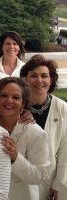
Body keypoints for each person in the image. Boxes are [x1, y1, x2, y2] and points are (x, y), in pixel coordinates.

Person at [0, 77, 50, 199]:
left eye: (16, 97)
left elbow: (41, 175)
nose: (9, 101)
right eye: (4, 95)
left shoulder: (36, 133)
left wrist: (16, 158)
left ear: (23, 103)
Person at [20, 54, 67, 200]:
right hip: (20, 179)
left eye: (44, 76)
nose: (39, 80)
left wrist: (58, 184)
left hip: (49, 180)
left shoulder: (63, 108)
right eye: (33, 75)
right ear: (25, 80)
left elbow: (65, 151)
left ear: (51, 80)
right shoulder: (16, 106)